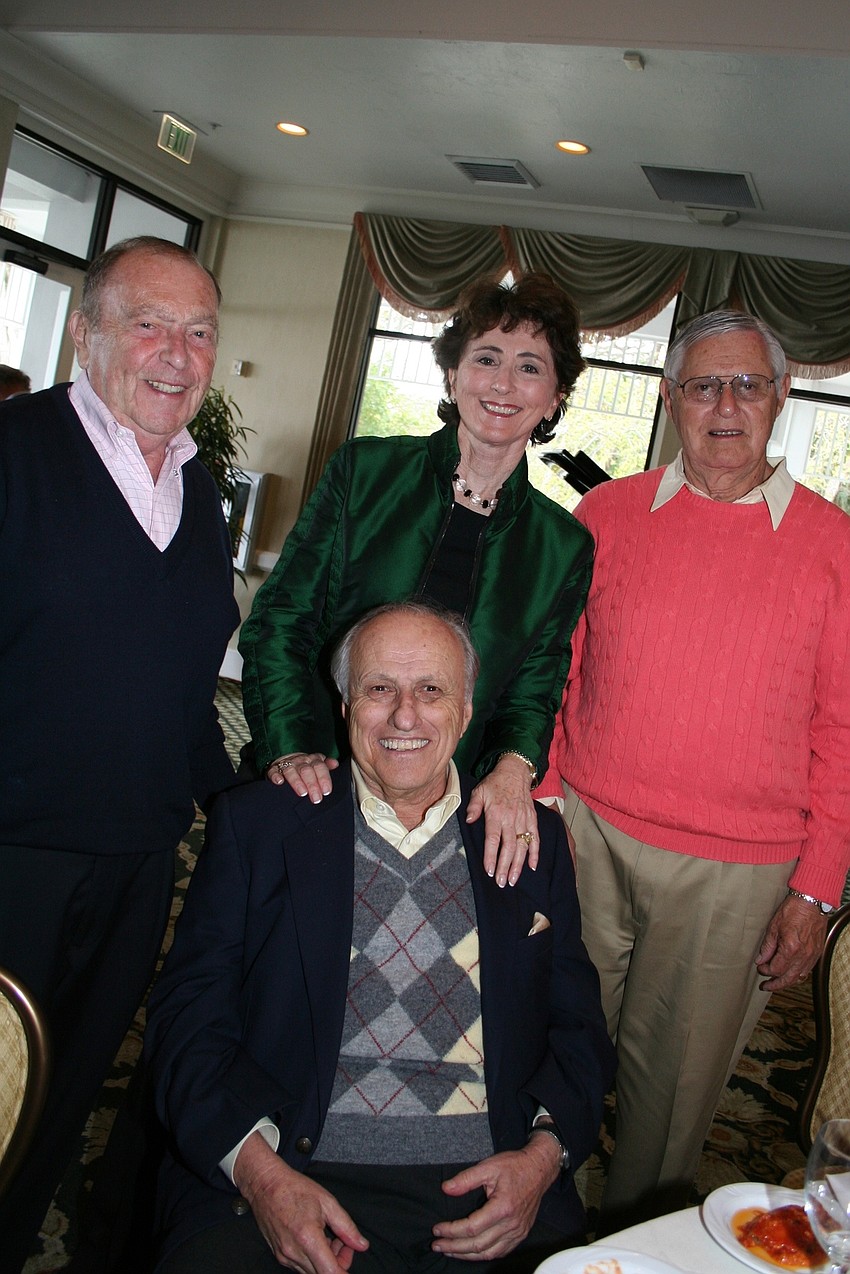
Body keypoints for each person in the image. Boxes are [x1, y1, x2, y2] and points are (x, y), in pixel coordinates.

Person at [146, 602, 615, 1274]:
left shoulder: (528, 843)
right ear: (343, 704)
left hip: (488, 1181)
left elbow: (579, 1033)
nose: (404, 716)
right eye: (378, 689)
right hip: (294, 1162)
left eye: (431, 690)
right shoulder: (261, 825)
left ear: (466, 705)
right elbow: (186, 1021)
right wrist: (264, 1177)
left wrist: (541, 1163)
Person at [535, 309, 850, 1230]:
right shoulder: (608, 515)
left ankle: (632, 1245)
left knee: (668, 1112)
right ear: (671, 400)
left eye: (747, 384)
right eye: (703, 385)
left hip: (738, 875)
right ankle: (526, 1227)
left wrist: (819, 890)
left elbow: (844, 728)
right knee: (542, 1050)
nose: (726, 404)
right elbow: (559, 665)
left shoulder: (836, 546)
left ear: (783, 397)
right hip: (585, 834)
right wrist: (547, 795)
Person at [0, 235, 240, 1270]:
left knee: (60, 1099)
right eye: (150, 322)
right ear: (87, 332)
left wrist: (245, 807)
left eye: (198, 331)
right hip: (12, 857)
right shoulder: (14, 454)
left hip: (141, 862)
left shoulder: (202, 491)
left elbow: (186, 694)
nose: (176, 353)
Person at [238, 273, 593, 890]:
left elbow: (533, 691)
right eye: (486, 358)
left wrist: (515, 765)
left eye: (530, 367)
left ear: (555, 396)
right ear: (454, 375)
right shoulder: (364, 472)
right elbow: (279, 624)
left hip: (445, 808)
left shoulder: (561, 546)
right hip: (317, 771)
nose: (504, 384)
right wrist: (291, 749)